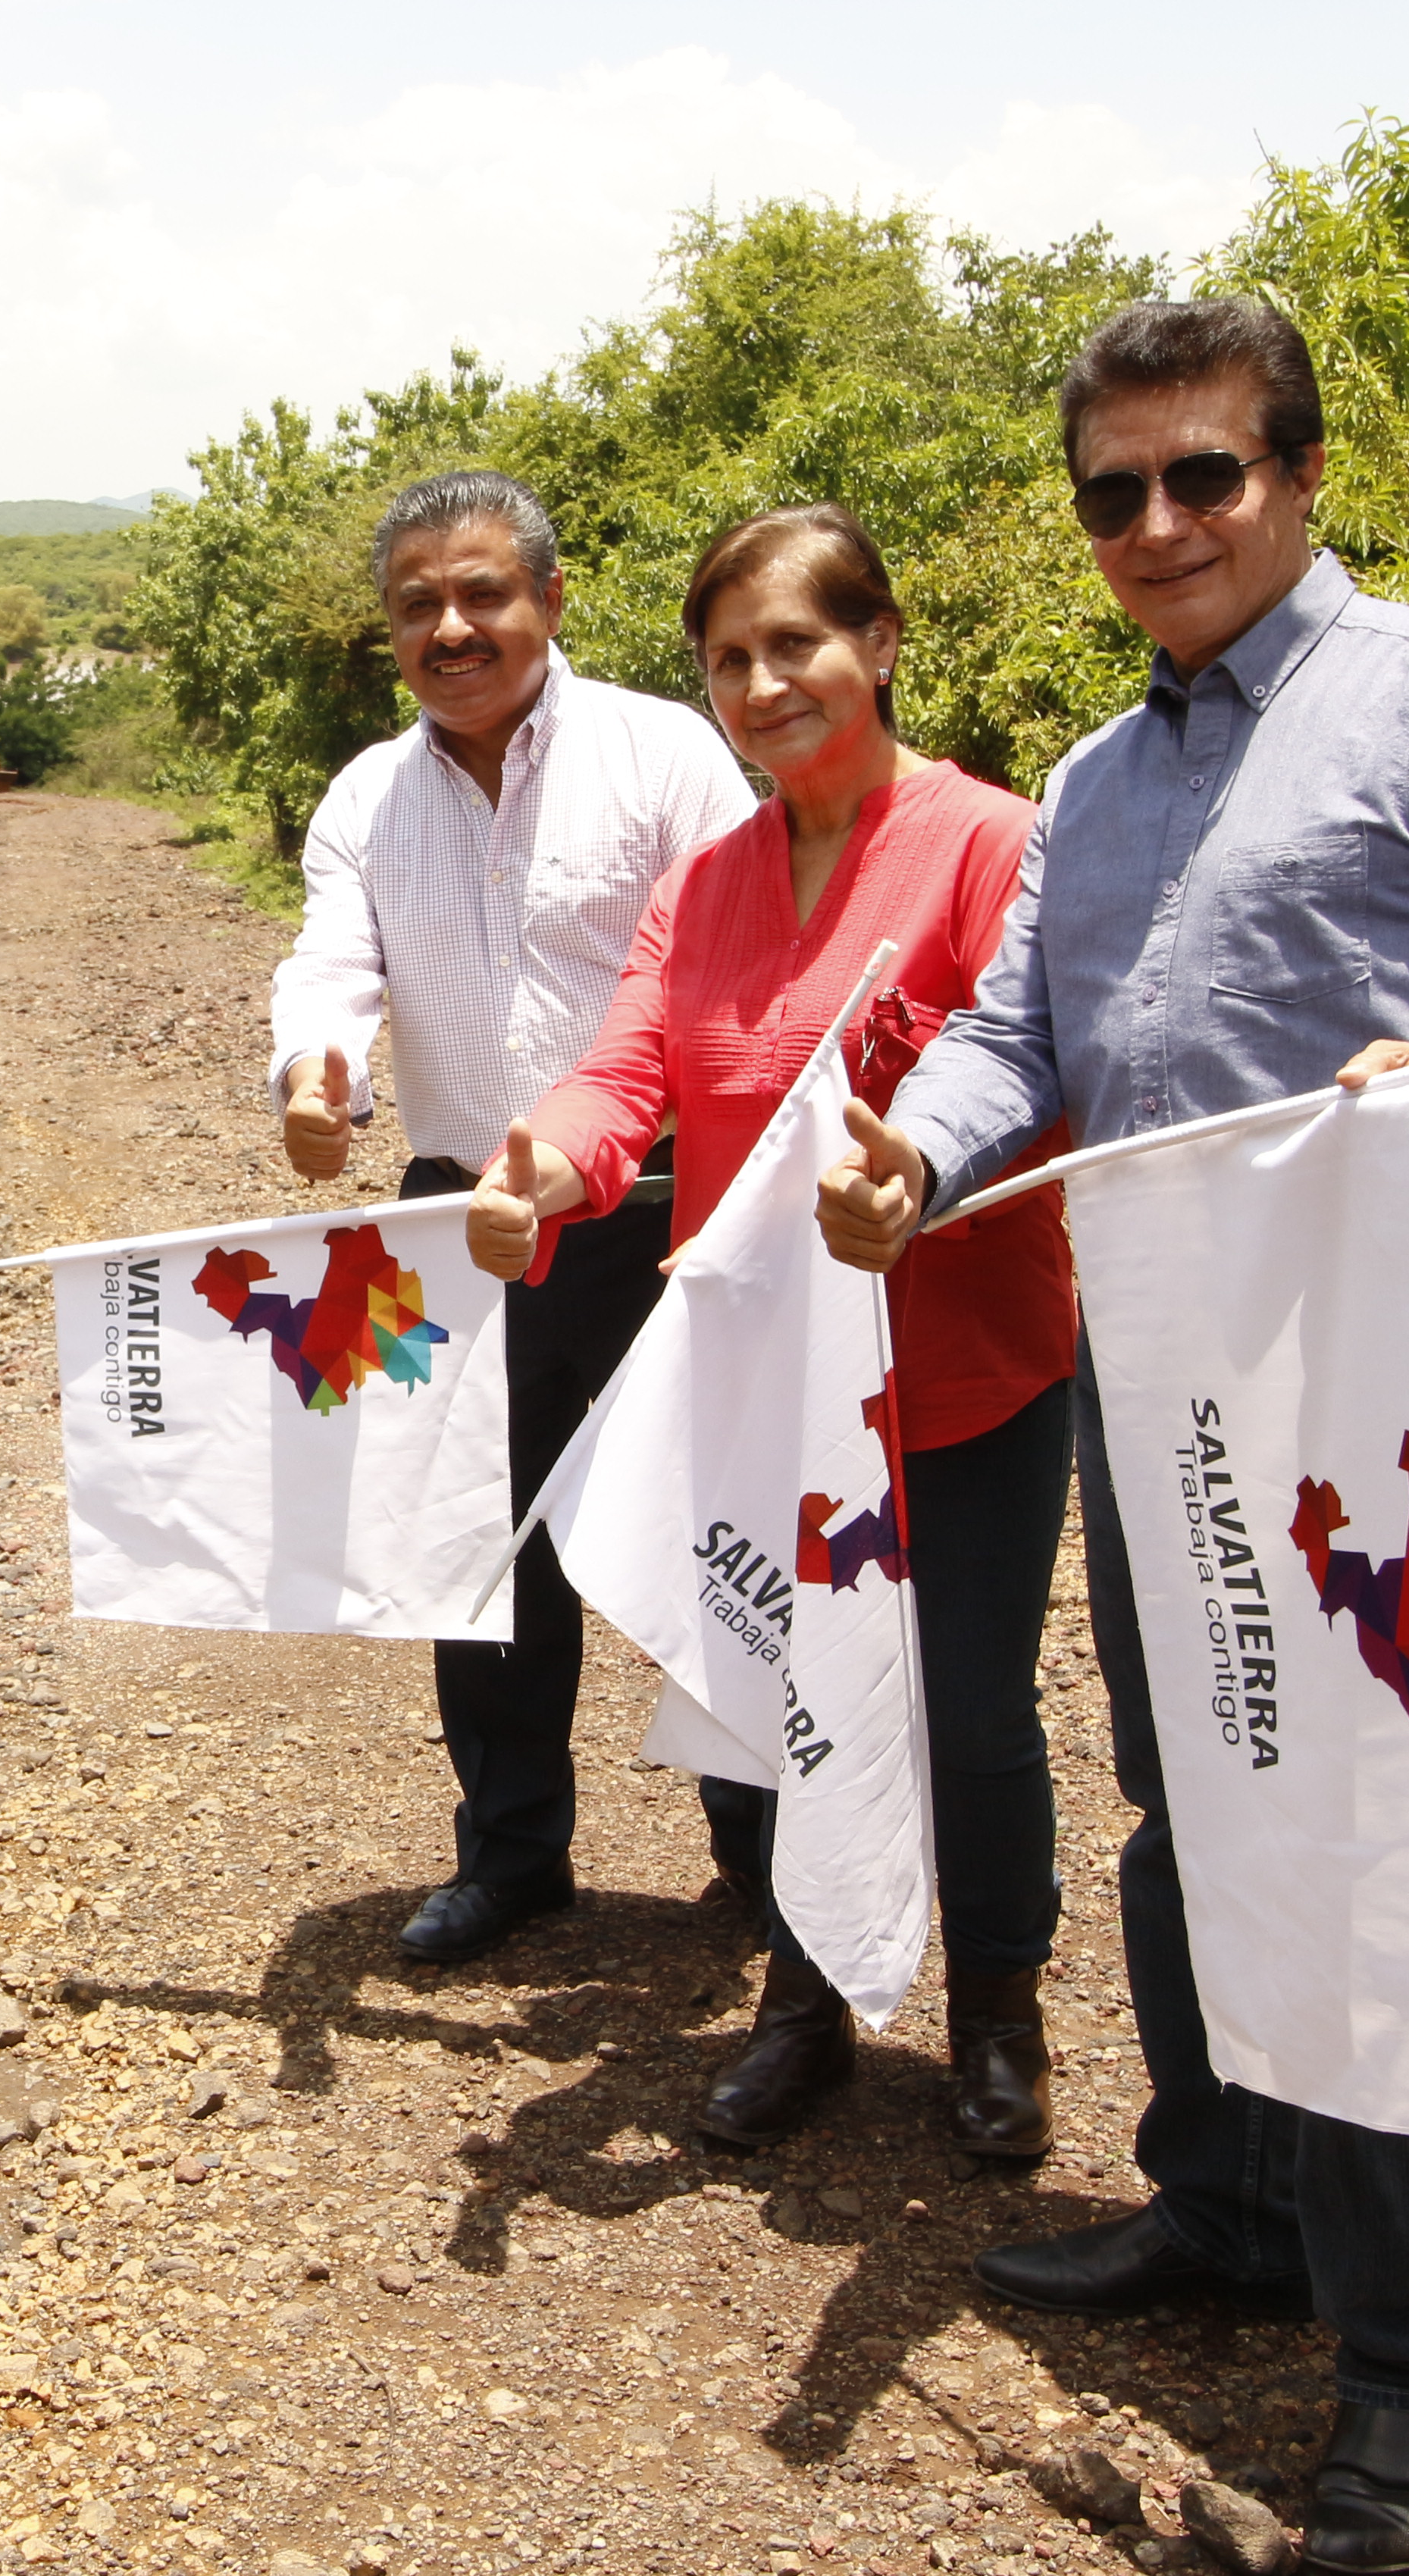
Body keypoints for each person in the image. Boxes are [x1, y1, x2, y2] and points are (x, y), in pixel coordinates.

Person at [817, 298, 1409, 2576]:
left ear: (1297, 475)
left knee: (1367, 1842)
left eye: (1204, 473)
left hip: (1405, 1410)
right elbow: (1020, 1038)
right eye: (1115, 491)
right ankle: (1228, 2209)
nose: (1160, 523)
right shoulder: (1097, 782)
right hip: (1175, 1377)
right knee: (1189, 1793)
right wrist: (918, 1152)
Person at [463, 504, 1078, 2158]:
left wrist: (927, 1174)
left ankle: (998, 2018)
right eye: (728, 659)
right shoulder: (711, 881)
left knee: (969, 1711)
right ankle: (803, 2004)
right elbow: (628, 1072)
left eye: (795, 643)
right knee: (785, 1693)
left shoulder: (993, 844)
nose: (761, 685)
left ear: (878, 643)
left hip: (968, 1369)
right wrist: (546, 1167)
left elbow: (1045, 1074)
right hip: (777, 1383)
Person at [270, 467, 756, 1964]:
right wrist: (318, 1071)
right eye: (416, 603)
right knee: (478, 1550)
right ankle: (513, 1852)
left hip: (667, 1201)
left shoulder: (665, 754)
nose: (452, 628)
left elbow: (739, 957)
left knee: (716, 1531)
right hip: (460, 1207)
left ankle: (765, 1859)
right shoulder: (367, 797)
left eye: (483, 592)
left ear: (548, 598)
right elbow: (333, 966)